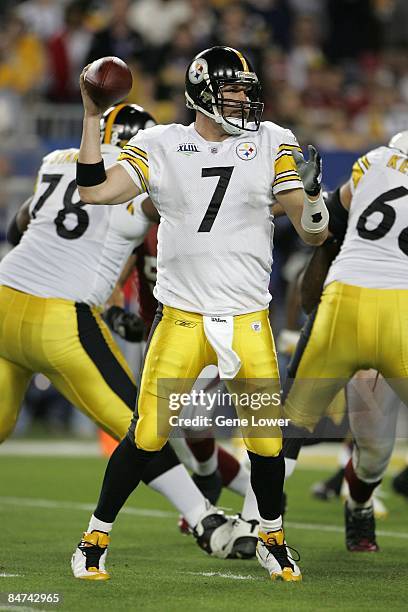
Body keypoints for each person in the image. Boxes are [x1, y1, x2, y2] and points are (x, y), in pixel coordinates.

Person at [71, 45, 329, 582]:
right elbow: (95, 190)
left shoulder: (272, 140)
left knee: (266, 440)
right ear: (201, 93)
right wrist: (94, 117)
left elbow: (313, 231)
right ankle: (93, 539)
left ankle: (272, 539)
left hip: (248, 319)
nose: (242, 98)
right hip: (183, 318)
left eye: (245, 88)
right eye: (231, 89)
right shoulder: (161, 143)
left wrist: (312, 194)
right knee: (147, 437)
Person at [0, 103, 237, 570]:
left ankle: (204, 513)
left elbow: (17, 226)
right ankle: (204, 519)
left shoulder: (57, 161)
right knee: (138, 424)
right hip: (61, 317)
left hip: (6, 299)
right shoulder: (139, 178)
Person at [283, 130, 408, 552]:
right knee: (355, 439)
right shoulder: (370, 179)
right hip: (357, 313)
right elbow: (320, 260)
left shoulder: (374, 164)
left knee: (373, 450)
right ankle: (264, 514)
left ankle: (358, 504)